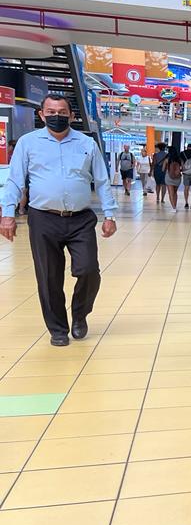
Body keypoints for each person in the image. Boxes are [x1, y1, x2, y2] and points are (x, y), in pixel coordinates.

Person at [0, 94, 117, 345]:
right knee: (49, 277)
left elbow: (102, 180)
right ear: (41, 115)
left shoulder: (87, 143)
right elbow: (15, 180)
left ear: (71, 116)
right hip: (43, 218)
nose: (57, 116)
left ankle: (79, 315)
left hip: (81, 219)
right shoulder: (28, 143)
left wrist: (110, 214)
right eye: (51, 112)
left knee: (89, 270)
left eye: (62, 112)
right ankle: (58, 330)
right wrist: (7, 214)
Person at [162, 145, 183, 210]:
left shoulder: (167, 160)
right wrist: (177, 170)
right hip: (177, 178)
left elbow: (163, 169)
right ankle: (175, 206)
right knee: (175, 192)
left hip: (169, 177)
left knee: (171, 193)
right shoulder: (180, 160)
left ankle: (174, 208)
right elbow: (183, 168)